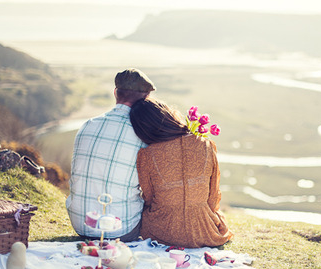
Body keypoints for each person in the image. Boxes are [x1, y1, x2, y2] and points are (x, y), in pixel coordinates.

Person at [129, 98, 233, 248]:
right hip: (205, 232)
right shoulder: (206, 145)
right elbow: (213, 195)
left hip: (161, 231)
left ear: (142, 129)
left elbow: (149, 197)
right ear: (168, 116)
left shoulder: (147, 155)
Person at [66, 68, 155, 241]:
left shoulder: (87, 125)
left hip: (80, 223)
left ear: (115, 93)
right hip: (121, 230)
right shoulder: (143, 134)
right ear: (145, 99)